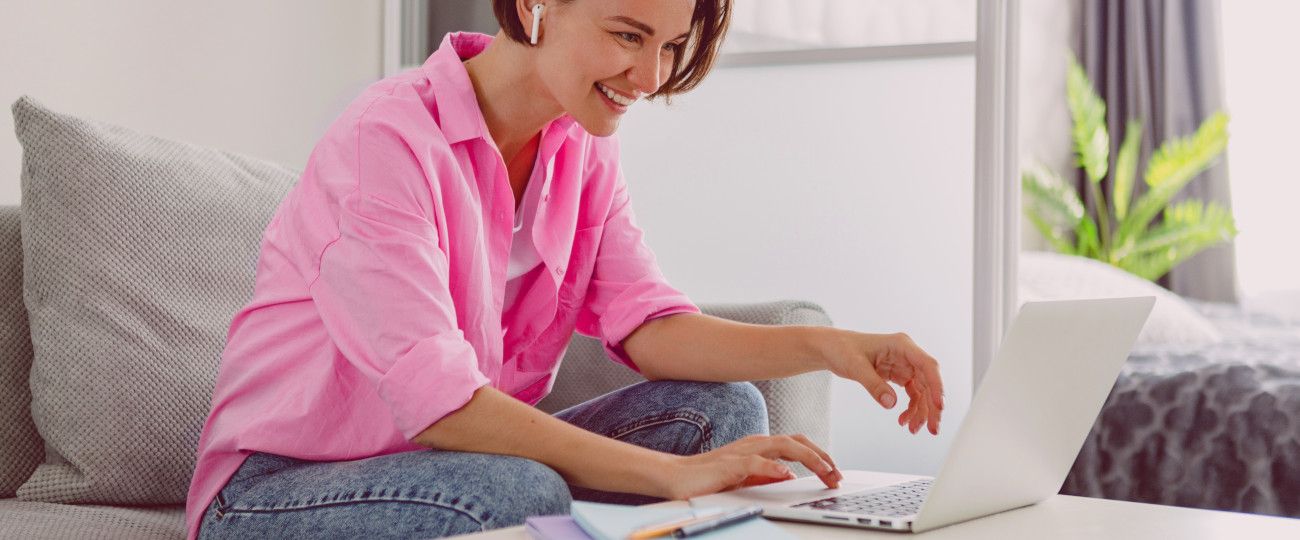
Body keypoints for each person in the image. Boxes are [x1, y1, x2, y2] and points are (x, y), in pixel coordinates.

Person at [185, 1, 946, 538]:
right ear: (537, 4)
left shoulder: (582, 149)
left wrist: (831, 347)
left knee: (726, 416)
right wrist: (668, 477)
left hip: (456, 461)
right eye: (628, 34)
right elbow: (442, 405)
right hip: (272, 495)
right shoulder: (384, 143)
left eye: (671, 45)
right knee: (521, 490)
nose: (650, 75)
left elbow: (650, 326)